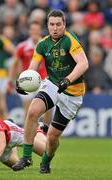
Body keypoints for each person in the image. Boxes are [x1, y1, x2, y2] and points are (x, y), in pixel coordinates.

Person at [12, 9, 89, 173]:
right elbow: (32, 69)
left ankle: (45, 162)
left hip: (73, 92)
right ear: (47, 25)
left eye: (58, 24)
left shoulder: (70, 40)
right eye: (52, 24)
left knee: (53, 137)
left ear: (64, 25)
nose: (55, 28)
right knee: (32, 111)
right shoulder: (42, 44)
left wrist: (68, 79)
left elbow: (83, 63)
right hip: (53, 84)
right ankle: (26, 157)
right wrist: (22, 81)